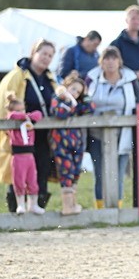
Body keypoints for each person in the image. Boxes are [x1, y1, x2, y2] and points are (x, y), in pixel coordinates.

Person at [0, 40, 59, 213]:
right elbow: (1, 104)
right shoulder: (17, 76)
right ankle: (16, 212)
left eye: (50, 55)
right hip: (19, 136)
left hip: (42, 136)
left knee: (40, 171)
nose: (46, 58)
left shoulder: (50, 79)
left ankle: (37, 212)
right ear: (33, 52)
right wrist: (6, 129)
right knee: (18, 173)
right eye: (43, 53)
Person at [85, 46, 139, 208]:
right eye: (106, 58)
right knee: (100, 173)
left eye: (114, 58)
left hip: (123, 134)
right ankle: (100, 209)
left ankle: (116, 208)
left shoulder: (130, 79)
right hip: (96, 134)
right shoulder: (92, 78)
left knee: (117, 174)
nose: (110, 62)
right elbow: (83, 101)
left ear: (119, 62)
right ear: (101, 62)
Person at [51, 72, 93, 215]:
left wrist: (85, 96)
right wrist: (69, 100)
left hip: (77, 143)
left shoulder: (78, 105)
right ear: (66, 86)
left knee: (75, 172)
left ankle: (73, 204)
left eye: (78, 92)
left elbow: (90, 108)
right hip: (61, 143)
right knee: (66, 172)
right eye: (73, 89)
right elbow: (60, 113)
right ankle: (67, 206)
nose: (75, 93)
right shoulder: (58, 99)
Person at [5, 92, 45, 215]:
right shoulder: (14, 119)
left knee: (33, 180)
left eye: (23, 109)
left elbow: (39, 114)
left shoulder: (29, 120)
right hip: (18, 156)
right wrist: (22, 116)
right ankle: (20, 204)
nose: (22, 112)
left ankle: (33, 204)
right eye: (19, 110)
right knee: (19, 180)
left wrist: (28, 116)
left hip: (30, 155)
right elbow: (12, 116)